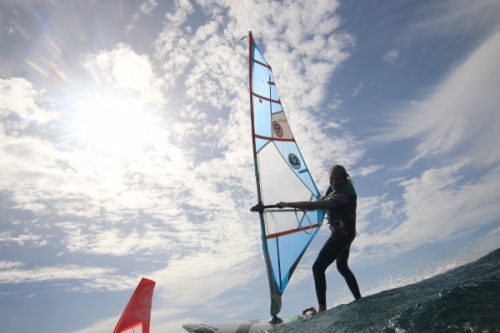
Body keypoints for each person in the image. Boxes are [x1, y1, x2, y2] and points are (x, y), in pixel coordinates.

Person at [277, 165, 361, 313]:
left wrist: (289, 204)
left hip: (342, 236)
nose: (334, 182)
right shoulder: (333, 189)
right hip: (345, 234)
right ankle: (359, 300)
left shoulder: (345, 195)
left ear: (345, 178)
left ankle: (322, 308)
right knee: (342, 267)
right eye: (332, 179)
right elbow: (319, 203)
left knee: (318, 268)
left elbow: (317, 205)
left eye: (338, 179)